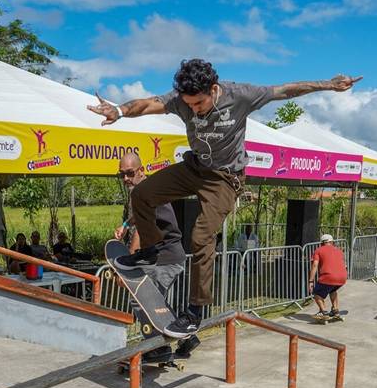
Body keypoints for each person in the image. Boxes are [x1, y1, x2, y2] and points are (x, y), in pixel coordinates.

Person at [88, 58, 361, 338]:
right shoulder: (181, 100)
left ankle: (195, 310)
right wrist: (119, 110)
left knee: (201, 235)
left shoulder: (240, 95)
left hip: (225, 179)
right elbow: (147, 104)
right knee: (142, 193)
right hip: (195, 167)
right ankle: (150, 249)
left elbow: (285, 90)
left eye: (199, 104)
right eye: (189, 106)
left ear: (214, 89)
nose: (194, 111)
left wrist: (328, 85)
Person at [114, 151, 199, 360]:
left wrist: (127, 268)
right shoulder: (149, 189)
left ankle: (158, 347)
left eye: (129, 173)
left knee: (143, 301)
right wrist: (125, 225)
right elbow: (140, 216)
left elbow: (143, 232)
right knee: (153, 301)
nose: (125, 178)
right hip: (165, 255)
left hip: (166, 257)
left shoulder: (142, 191)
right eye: (121, 175)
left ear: (140, 171)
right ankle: (186, 338)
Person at [308, 234, 348, 319]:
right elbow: (344, 265)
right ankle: (335, 310)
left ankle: (323, 312)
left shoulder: (318, 250)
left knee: (316, 294)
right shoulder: (339, 251)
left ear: (322, 243)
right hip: (342, 277)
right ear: (332, 242)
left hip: (328, 277)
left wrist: (311, 281)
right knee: (333, 290)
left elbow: (315, 265)